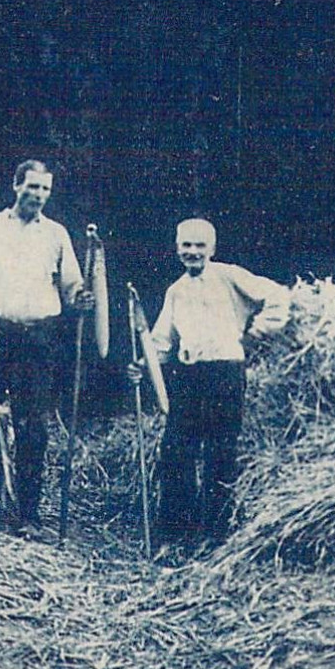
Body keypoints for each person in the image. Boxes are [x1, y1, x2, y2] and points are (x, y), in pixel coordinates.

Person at [0, 159, 93, 528]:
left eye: (45, 189)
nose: (38, 195)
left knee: (32, 428)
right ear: (16, 186)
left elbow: (72, 286)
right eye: (32, 187)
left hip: (38, 340)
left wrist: (81, 297)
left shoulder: (57, 235)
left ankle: (26, 514)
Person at [131, 218, 289, 554]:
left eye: (200, 245)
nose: (192, 251)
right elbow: (161, 341)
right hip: (188, 376)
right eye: (186, 245)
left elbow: (277, 295)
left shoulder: (229, 276)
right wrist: (143, 366)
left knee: (220, 453)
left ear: (212, 249)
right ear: (176, 248)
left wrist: (257, 331)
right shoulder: (176, 290)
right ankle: (177, 535)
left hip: (225, 375)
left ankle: (215, 536)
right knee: (176, 452)